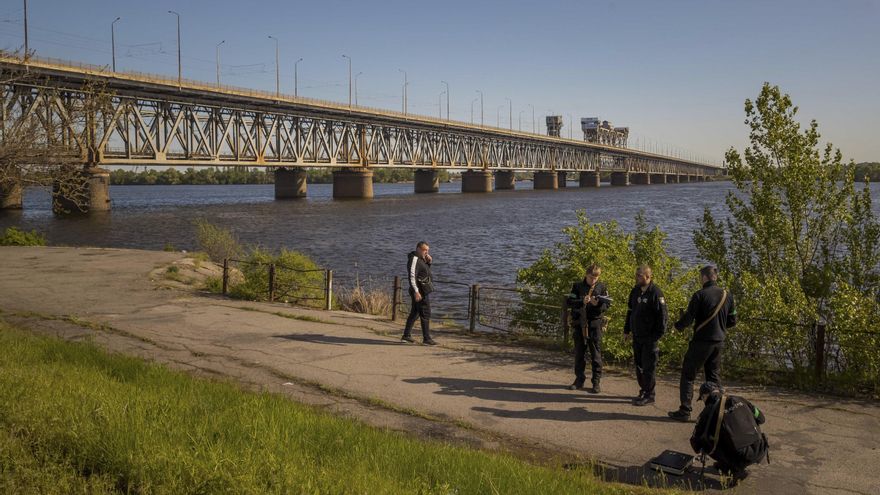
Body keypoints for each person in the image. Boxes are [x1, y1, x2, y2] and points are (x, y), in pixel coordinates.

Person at [669, 265, 737, 422]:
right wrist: (719, 328)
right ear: (715, 277)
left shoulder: (699, 295)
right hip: (719, 342)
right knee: (713, 376)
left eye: (701, 277)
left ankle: (685, 410)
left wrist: (677, 326)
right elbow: (732, 321)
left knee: (688, 374)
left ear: (705, 277)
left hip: (701, 342)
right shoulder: (728, 295)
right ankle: (717, 410)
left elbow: (688, 318)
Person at [690, 382, 769, 479]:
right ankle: (727, 465)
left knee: (708, 442)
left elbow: (695, 442)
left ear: (705, 396)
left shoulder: (707, 411)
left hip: (741, 456)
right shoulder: (740, 399)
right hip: (760, 447)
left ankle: (735, 469)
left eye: (702, 398)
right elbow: (761, 419)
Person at [623, 265, 668, 406]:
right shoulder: (635, 291)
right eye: (636, 274)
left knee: (649, 367)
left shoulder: (656, 293)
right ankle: (643, 390)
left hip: (650, 338)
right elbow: (630, 311)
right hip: (637, 336)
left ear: (648, 277)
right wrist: (626, 330)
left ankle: (650, 394)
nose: (636, 277)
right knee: (639, 366)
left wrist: (656, 336)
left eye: (639, 275)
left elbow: (663, 317)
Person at [565, 263, 610, 393]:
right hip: (580, 323)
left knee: (596, 354)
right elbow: (569, 302)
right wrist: (581, 301)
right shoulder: (577, 286)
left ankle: (596, 382)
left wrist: (597, 305)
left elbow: (607, 306)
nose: (593, 280)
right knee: (579, 353)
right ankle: (579, 380)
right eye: (591, 277)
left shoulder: (602, 287)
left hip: (595, 324)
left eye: (596, 278)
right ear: (586, 275)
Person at [401, 241, 436, 345]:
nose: (427, 252)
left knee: (415, 313)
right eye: (425, 250)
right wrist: (416, 291)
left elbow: (424, 272)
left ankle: (406, 335)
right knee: (426, 313)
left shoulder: (421, 259)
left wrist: (429, 262)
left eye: (428, 250)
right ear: (418, 249)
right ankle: (427, 339)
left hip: (422, 290)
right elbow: (412, 277)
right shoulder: (414, 259)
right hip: (419, 291)